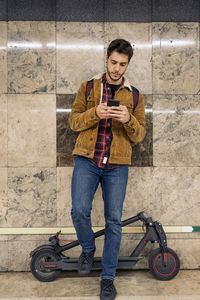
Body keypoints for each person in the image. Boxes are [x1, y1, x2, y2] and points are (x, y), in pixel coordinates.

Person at [69, 39, 146, 300]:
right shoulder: (89, 87)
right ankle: (88, 249)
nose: (116, 69)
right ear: (106, 59)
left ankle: (108, 278)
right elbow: (73, 122)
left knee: (114, 221)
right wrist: (95, 113)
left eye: (122, 64)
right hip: (87, 160)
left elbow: (139, 135)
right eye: (113, 62)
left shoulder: (134, 95)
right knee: (79, 210)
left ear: (128, 65)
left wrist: (129, 120)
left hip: (117, 166)